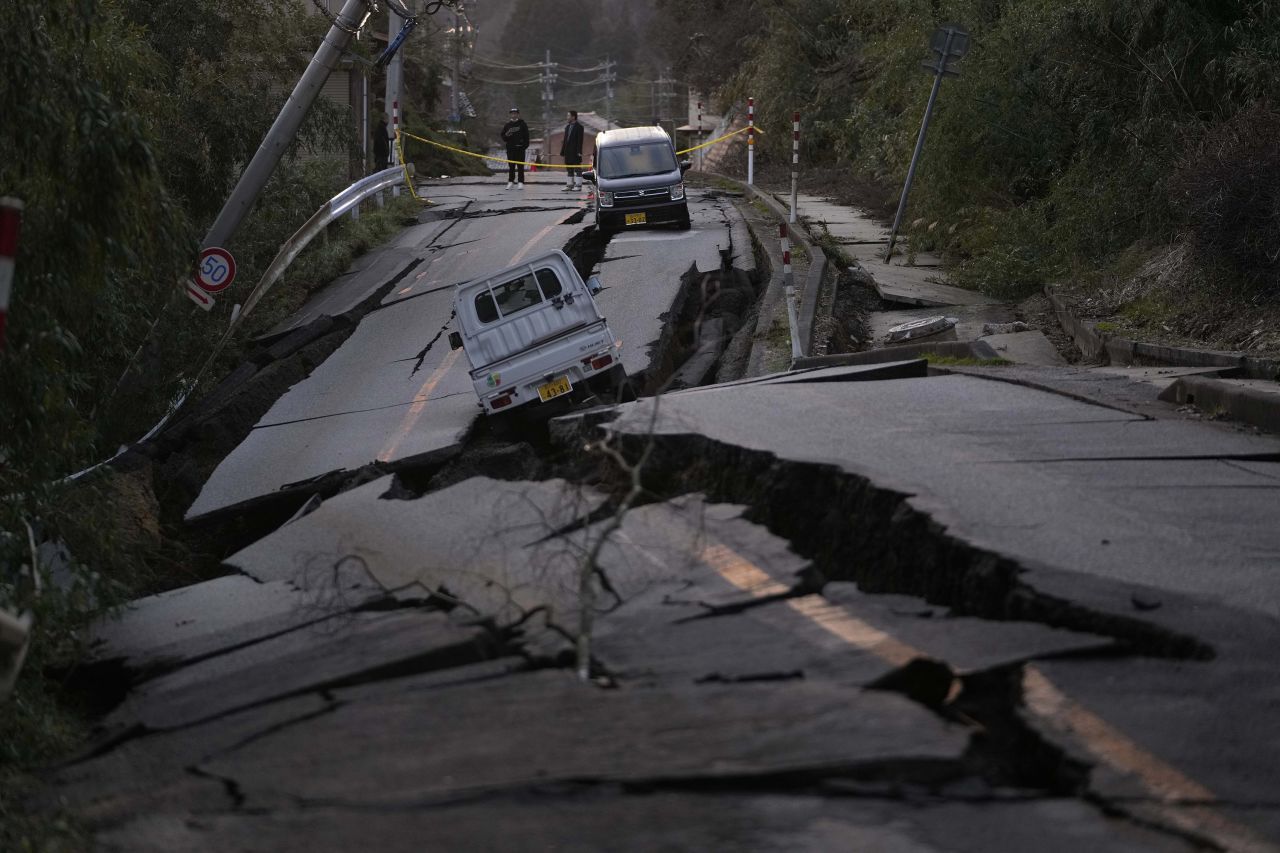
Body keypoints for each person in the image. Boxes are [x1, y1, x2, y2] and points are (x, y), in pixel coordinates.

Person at [500, 107, 530, 189]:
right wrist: (507, 134)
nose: (514, 115)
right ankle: (511, 181)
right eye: (512, 113)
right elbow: (503, 137)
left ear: (518, 114)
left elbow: (527, 138)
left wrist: (523, 147)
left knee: (520, 167)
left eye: (515, 113)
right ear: (510, 114)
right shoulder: (507, 125)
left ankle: (520, 182)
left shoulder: (522, 124)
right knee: (511, 166)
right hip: (510, 150)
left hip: (520, 149)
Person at [560, 110, 584, 192]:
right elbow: (565, 140)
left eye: (568, 116)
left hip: (575, 152)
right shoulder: (567, 127)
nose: (567, 118)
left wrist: (579, 152)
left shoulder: (579, 127)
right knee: (569, 169)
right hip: (568, 152)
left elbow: (580, 141)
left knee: (577, 169)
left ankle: (578, 185)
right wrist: (562, 151)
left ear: (573, 117)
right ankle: (569, 185)